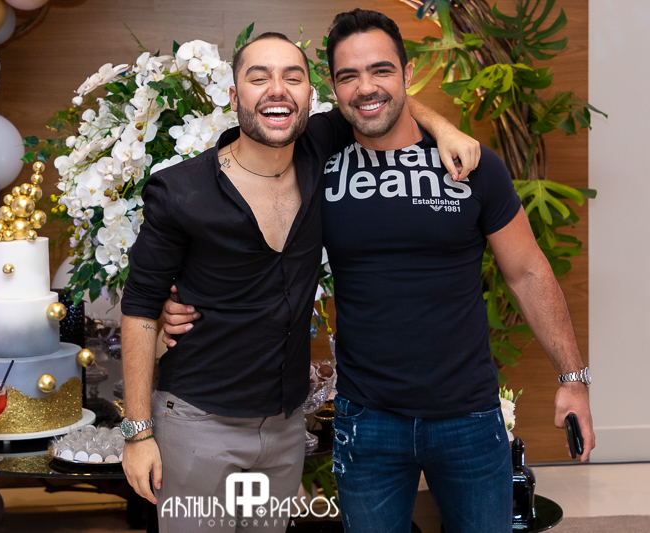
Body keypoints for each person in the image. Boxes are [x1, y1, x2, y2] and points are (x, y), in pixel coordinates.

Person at [160, 9, 595, 533]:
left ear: (407, 74)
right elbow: (242, 221)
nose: (366, 87)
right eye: (348, 76)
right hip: (366, 423)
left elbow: (527, 272)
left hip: (469, 418)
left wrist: (572, 379)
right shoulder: (315, 161)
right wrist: (172, 298)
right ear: (332, 89)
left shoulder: (471, 165)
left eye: (381, 70)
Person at [119, 30, 478, 533]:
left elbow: (380, 95)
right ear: (233, 96)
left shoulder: (317, 150)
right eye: (259, 78)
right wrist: (137, 434)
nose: (277, 90)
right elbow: (139, 307)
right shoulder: (181, 191)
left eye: (292, 77)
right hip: (197, 423)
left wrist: (444, 129)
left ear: (310, 95)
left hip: (284, 429)